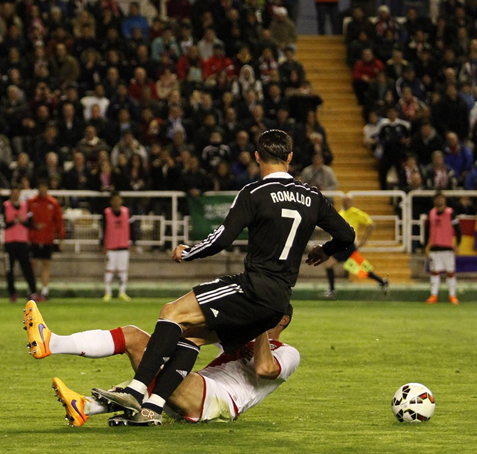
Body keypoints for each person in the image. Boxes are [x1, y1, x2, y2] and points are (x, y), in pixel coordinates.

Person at [88, 129, 354, 426]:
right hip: (279, 300)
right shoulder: (312, 196)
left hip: (251, 288)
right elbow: (347, 235)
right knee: (193, 334)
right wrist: (325, 250)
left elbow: (222, 239)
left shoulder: (254, 193)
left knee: (172, 313)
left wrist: (188, 252)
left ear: (257, 157)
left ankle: (137, 391)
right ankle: (152, 408)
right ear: (290, 157)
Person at [23, 301, 298, 427]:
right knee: (167, 342)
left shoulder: (288, 353)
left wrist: (261, 323)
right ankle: (84, 407)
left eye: (267, 308)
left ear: (282, 320)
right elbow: (195, 334)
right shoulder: (241, 336)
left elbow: (264, 368)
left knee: (132, 337)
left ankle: (53, 343)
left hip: (220, 400)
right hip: (196, 390)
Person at [321, 194, 389, 299]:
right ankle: (382, 281)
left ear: (351, 202)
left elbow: (371, 224)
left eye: (347, 200)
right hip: (342, 245)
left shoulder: (355, 213)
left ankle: (332, 290)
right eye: (344, 200)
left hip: (348, 245)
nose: (345, 202)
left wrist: (363, 241)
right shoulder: (341, 213)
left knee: (329, 264)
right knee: (360, 269)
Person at [0, 184, 40, 302]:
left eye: (17, 192)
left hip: (22, 242)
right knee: (9, 270)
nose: (15, 194)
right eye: (13, 192)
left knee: (27, 268)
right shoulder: (5, 206)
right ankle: (12, 293)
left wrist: (21, 221)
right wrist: (15, 221)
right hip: (9, 242)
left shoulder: (25, 206)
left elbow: (30, 223)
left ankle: (33, 292)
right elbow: (3, 224)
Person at [28, 180, 66, 300]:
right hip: (34, 238)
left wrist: (61, 237)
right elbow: (27, 220)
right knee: (33, 264)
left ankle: (45, 291)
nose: (43, 190)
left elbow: (59, 221)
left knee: (45, 264)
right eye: (41, 187)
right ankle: (32, 290)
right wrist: (34, 226)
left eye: (45, 187)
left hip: (48, 238)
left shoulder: (53, 203)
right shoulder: (31, 202)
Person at [425, 191, 461, 305]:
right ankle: (434, 295)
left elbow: (458, 230)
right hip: (435, 247)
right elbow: (427, 231)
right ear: (434, 200)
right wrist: (426, 245)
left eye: (441, 198)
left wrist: (458, 244)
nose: (439, 201)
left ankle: (452, 295)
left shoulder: (451, 213)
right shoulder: (431, 213)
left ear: (444, 200)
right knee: (434, 272)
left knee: (450, 272)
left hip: (448, 247)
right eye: (437, 198)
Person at [101, 192, 136, 302]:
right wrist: (103, 244)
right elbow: (102, 229)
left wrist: (133, 242)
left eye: (118, 199)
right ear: (111, 201)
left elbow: (132, 228)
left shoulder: (126, 212)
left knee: (123, 271)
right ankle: (108, 292)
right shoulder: (106, 213)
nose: (116, 202)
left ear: (121, 201)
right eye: (114, 200)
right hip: (111, 246)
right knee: (109, 270)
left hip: (123, 246)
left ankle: (122, 292)